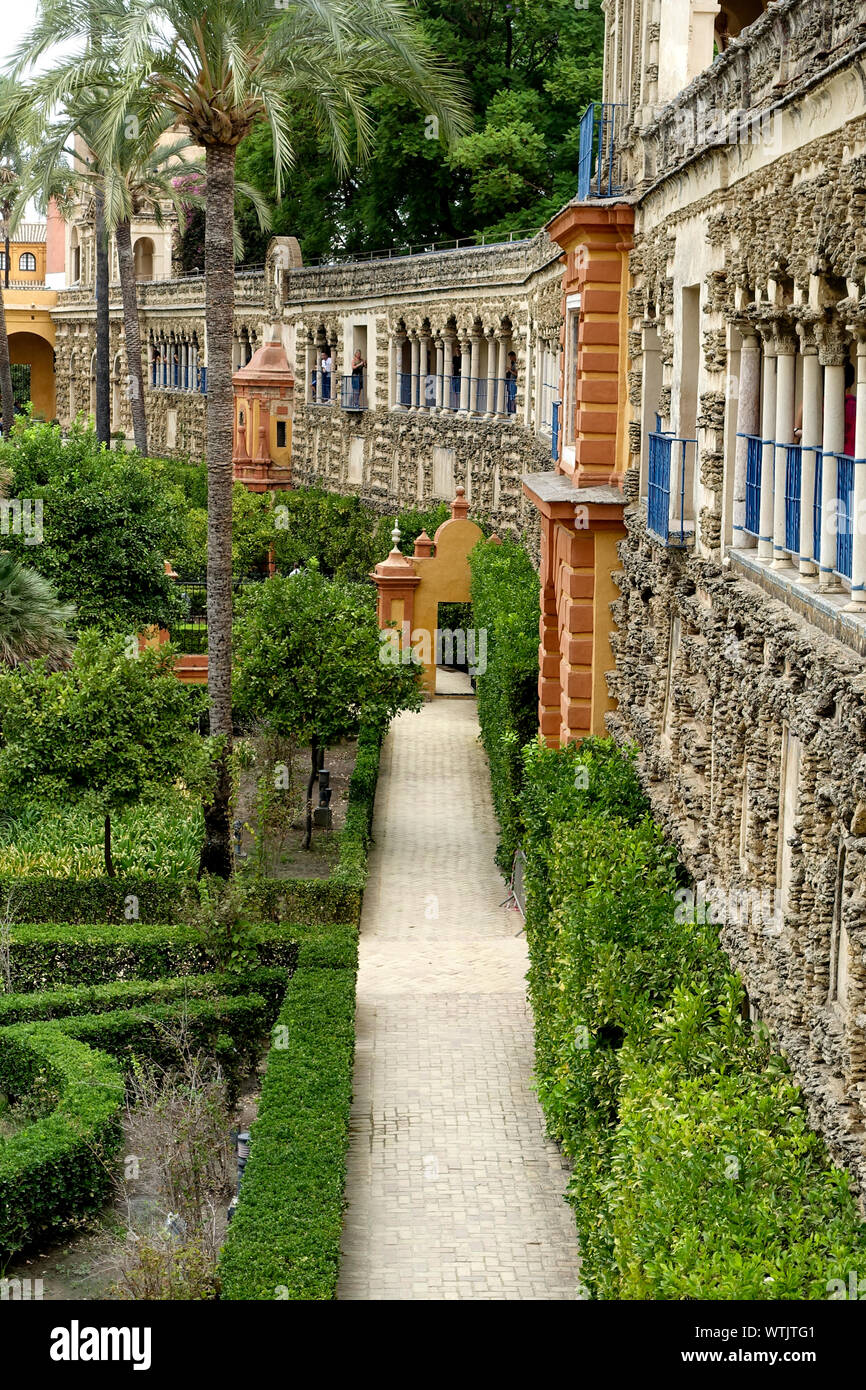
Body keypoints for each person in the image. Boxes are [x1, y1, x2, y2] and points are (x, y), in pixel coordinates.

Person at [844, 360, 857, 458]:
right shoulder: (859, 406)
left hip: (824, 466)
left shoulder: (820, 406)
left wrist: (797, 431)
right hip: (856, 464)